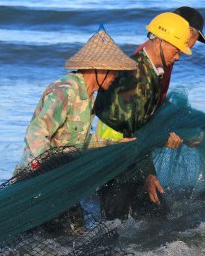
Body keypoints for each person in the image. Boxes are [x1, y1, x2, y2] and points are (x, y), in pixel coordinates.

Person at [17, 26, 137, 232]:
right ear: (99, 69)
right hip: (38, 181)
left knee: (74, 233)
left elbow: (78, 141)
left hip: (62, 180)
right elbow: (36, 133)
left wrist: (113, 144)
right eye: (114, 70)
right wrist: (45, 172)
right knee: (63, 234)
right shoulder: (66, 91)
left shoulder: (88, 96)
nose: (116, 75)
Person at [92, 11, 203, 220]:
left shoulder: (151, 72)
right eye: (176, 49)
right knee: (116, 225)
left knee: (153, 219)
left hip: (129, 157)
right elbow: (131, 132)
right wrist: (149, 174)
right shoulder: (135, 76)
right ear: (159, 41)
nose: (178, 56)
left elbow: (143, 122)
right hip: (115, 160)